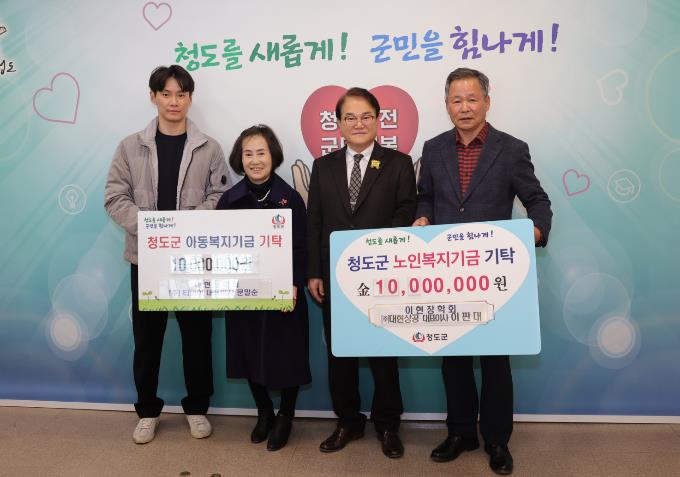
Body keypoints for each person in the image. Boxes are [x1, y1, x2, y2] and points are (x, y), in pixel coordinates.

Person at [414, 67, 552, 475]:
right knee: (453, 359)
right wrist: (422, 217)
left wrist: (537, 229)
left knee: (495, 362)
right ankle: (460, 433)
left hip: (493, 276)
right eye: (456, 100)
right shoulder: (433, 148)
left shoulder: (511, 149)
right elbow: (425, 197)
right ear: (446, 105)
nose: (465, 107)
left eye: (472, 99)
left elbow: (537, 199)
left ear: (487, 102)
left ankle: (496, 440)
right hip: (446, 273)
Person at [104, 65, 230, 444]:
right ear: (153, 97)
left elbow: (221, 197)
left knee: (197, 337)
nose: (174, 101)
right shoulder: (130, 147)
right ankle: (147, 411)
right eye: (166, 94)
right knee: (147, 340)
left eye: (181, 94)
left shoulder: (209, 147)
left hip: (193, 260)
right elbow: (115, 197)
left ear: (190, 98)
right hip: (147, 260)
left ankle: (197, 408)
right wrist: (154, 230)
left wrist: (184, 229)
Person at [307, 88, 417, 458]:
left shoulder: (399, 163)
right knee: (340, 354)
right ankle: (348, 421)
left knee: (383, 354)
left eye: (366, 116)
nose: (358, 124)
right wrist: (314, 272)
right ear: (338, 124)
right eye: (350, 117)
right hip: (335, 277)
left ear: (378, 120)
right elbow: (314, 221)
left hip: (382, 276)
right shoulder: (323, 166)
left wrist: (377, 249)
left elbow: (406, 212)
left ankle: (387, 425)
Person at [216, 125, 311, 452]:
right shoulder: (229, 201)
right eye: (248, 154)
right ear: (239, 159)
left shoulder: (290, 198)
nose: (255, 160)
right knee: (247, 351)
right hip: (243, 292)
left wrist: (294, 284)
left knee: (287, 354)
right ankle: (264, 412)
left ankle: (286, 415)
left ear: (273, 156)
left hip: (284, 292)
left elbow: (301, 246)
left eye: (261, 153)